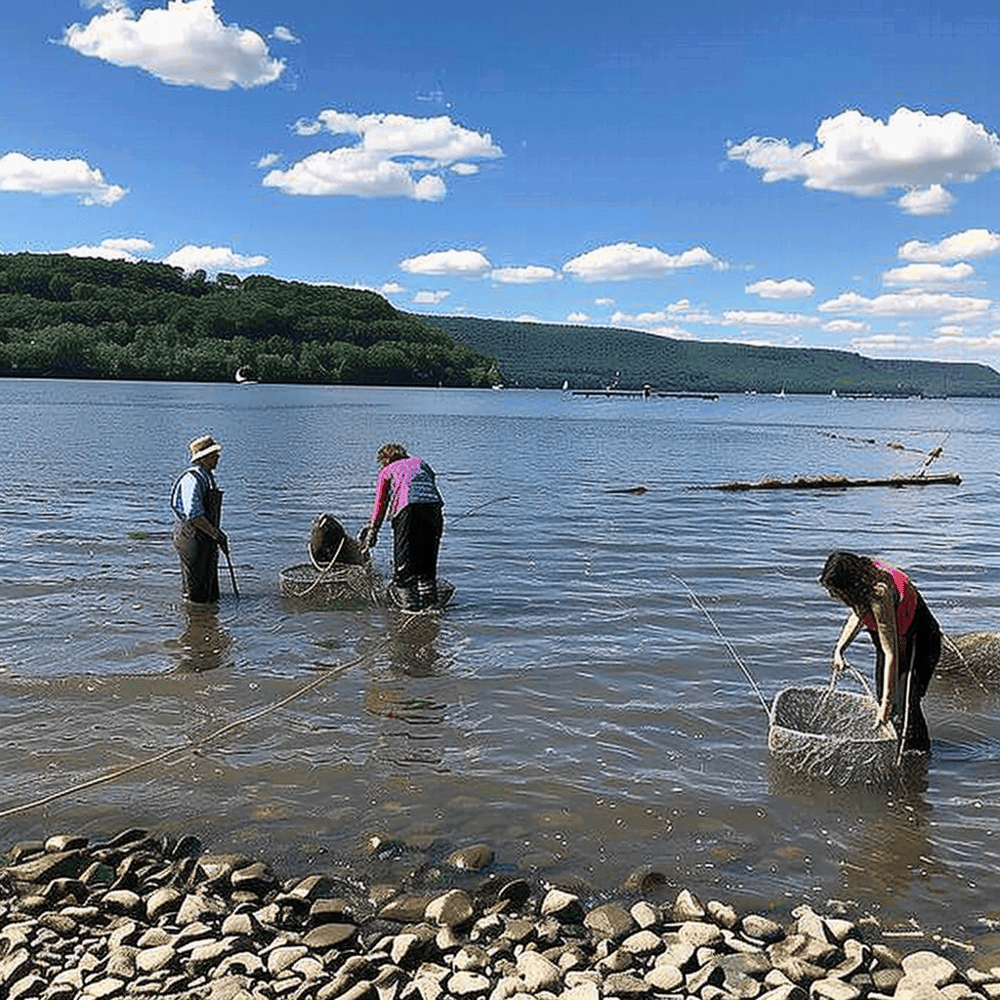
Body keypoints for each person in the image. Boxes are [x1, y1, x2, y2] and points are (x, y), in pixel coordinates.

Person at [819, 550, 941, 753]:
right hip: (893, 643)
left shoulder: (879, 594)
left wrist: (886, 705)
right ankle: (897, 748)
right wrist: (839, 650)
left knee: (904, 705)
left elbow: (890, 653)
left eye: (836, 591)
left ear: (849, 584)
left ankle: (918, 759)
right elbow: (858, 614)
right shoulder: (863, 581)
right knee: (886, 697)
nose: (833, 596)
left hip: (918, 643)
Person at [362, 443, 444, 611]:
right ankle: (431, 605)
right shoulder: (421, 463)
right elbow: (430, 483)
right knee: (427, 563)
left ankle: (409, 609)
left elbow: (380, 503)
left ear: (385, 460)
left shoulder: (387, 471)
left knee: (404, 563)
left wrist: (373, 530)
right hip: (434, 509)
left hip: (408, 510)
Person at [170, 435, 229, 604]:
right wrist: (216, 534)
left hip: (204, 536)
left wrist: (216, 535)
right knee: (195, 591)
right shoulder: (192, 479)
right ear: (203, 458)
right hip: (192, 538)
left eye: (217, 453)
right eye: (214, 454)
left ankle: (208, 621)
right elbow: (194, 515)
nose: (218, 457)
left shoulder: (207, 477)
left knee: (208, 586)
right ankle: (196, 622)